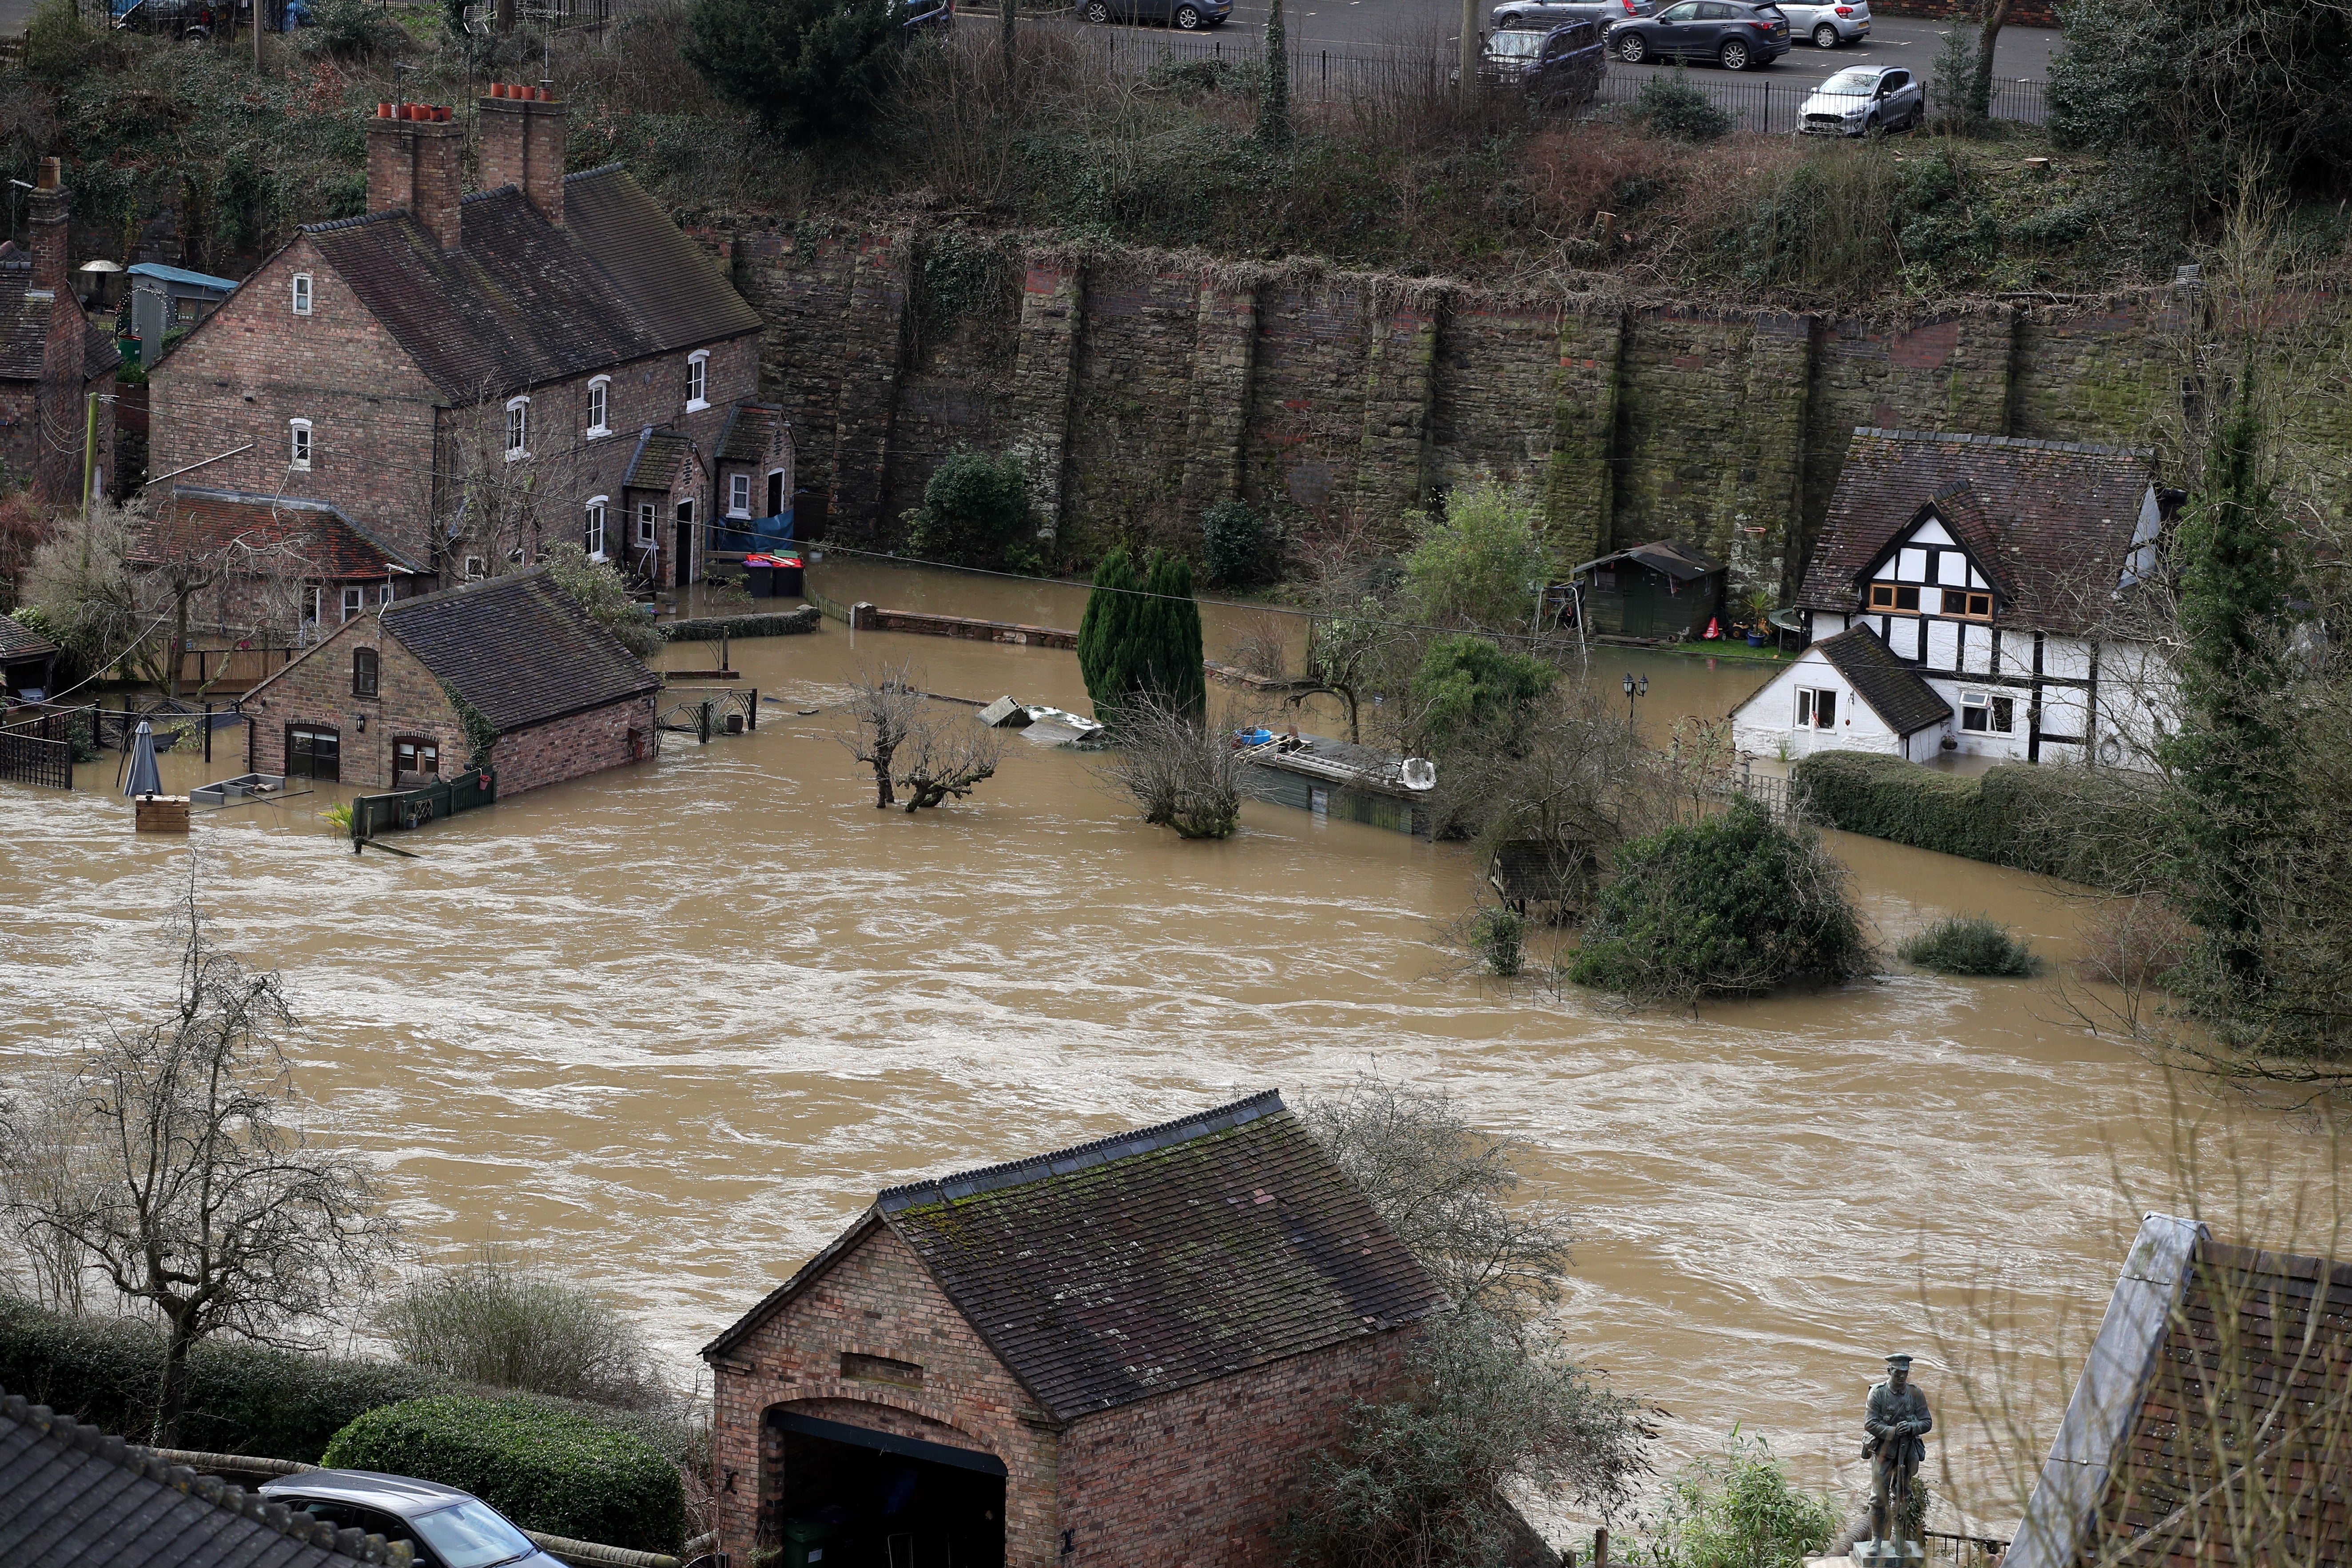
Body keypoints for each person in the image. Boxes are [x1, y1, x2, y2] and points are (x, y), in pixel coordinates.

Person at [1864, 1353, 1932, 1552]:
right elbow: (1869, 1423)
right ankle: (1876, 1540)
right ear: (1889, 1371)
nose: (1902, 1376)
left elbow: (1927, 1422)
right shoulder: (1878, 1393)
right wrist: (1892, 1431)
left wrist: (1911, 1427)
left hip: (1907, 1451)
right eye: (1898, 1373)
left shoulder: (1915, 1394)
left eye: (1905, 1372)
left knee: (1902, 1496)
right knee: (1878, 1498)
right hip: (1884, 1452)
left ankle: (1897, 1537)